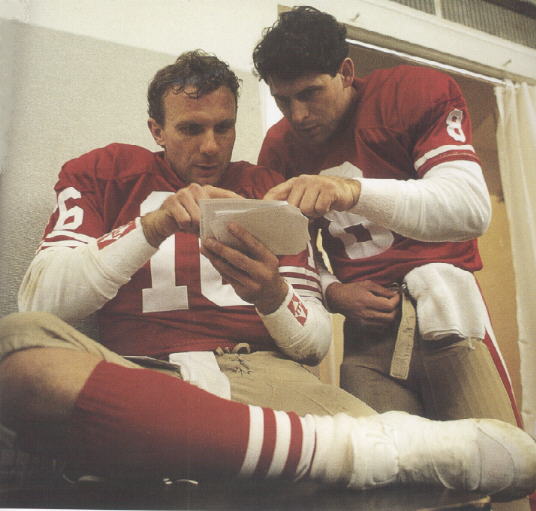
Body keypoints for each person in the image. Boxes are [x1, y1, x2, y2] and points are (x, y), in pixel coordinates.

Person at [0, 49, 534, 500]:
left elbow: (314, 344)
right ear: (156, 130)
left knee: (411, 496)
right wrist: (153, 225)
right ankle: (353, 450)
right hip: (142, 370)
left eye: (223, 127)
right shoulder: (104, 171)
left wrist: (272, 294)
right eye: (190, 129)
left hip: (267, 373)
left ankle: (240, 450)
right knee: (17, 349)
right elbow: (43, 302)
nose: (210, 146)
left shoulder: (266, 184)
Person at [254, 6, 522, 426]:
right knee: (392, 477)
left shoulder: (413, 91)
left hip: (445, 313)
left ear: (345, 71)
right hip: (366, 336)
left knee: (505, 470)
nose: (298, 115)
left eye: (310, 93)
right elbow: (293, 254)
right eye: (283, 100)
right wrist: (333, 292)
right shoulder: (279, 146)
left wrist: (353, 191)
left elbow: (470, 208)